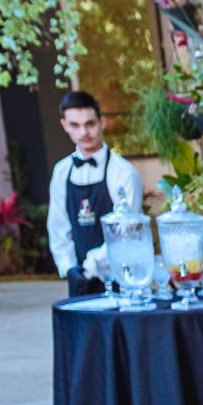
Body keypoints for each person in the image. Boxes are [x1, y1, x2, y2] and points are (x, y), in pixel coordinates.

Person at [47, 91, 143, 297]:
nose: (83, 132)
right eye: (75, 125)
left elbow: (126, 231)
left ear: (102, 122)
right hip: (79, 280)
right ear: (64, 125)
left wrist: (92, 266)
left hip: (121, 277)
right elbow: (58, 225)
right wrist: (69, 267)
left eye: (89, 123)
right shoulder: (62, 171)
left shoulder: (123, 172)